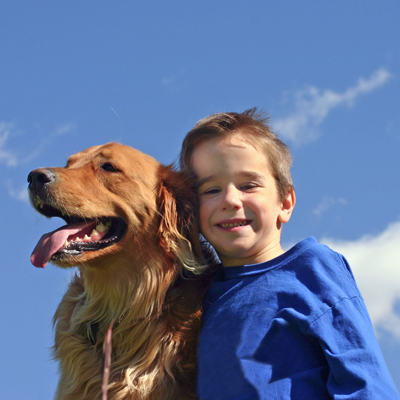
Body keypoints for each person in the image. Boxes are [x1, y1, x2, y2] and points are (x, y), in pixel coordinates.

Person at [179, 108, 399, 400]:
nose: (230, 200)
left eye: (248, 185)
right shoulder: (195, 299)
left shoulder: (311, 269)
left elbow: (364, 381)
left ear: (285, 202)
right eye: (210, 190)